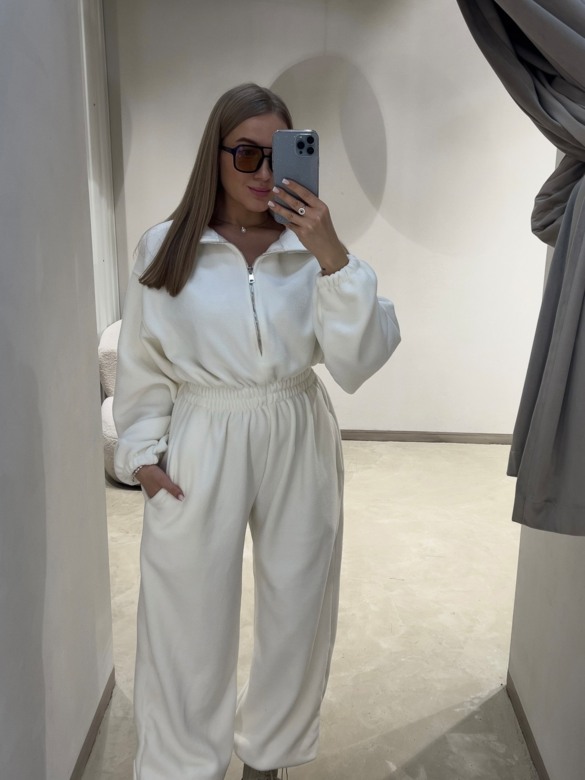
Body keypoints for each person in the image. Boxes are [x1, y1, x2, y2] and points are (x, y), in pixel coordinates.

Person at [113, 82, 401, 780]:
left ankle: (269, 757)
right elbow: (142, 362)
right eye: (246, 154)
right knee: (185, 609)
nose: (265, 172)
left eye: (281, 154)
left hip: (295, 423)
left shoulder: (312, 248)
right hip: (203, 429)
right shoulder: (165, 247)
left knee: (299, 602)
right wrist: (143, 455)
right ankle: (183, 764)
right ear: (214, 156)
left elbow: (359, 362)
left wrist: (332, 254)